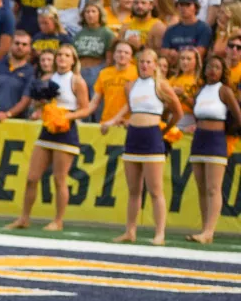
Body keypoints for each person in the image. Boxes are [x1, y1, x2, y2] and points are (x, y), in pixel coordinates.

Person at [101, 47, 182, 246]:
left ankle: (160, 233)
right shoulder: (131, 85)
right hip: (133, 137)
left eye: (148, 62)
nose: (144, 65)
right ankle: (130, 231)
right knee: (134, 190)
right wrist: (113, 121)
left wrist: (164, 130)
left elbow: (177, 112)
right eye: (142, 62)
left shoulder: (161, 85)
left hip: (152, 137)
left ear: (155, 65)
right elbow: (129, 107)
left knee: (155, 190)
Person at [8, 45, 91, 232]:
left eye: (67, 55)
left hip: (66, 131)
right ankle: (24, 218)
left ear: (73, 60)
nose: (62, 58)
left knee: (59, 179)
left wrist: (66, 116)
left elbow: (85, 108)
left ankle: (58, 221)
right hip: (47, 130)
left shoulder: (77, 81)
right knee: (32, 177)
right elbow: (38, 103)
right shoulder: (47, 78)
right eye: (60, 55)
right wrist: (41, 104)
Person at [187, 55, 241, 244]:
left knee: (213, 188)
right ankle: (204, 230)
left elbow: (237, 115)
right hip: (199, 140)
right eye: (210, 66)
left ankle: (210, 231)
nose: (213, 70)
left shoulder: (224, 90)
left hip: (216, 141)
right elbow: (196, 114)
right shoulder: (200, 91)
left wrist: (232, 132)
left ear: (223, 71)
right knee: (201, 188)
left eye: (217, 67)